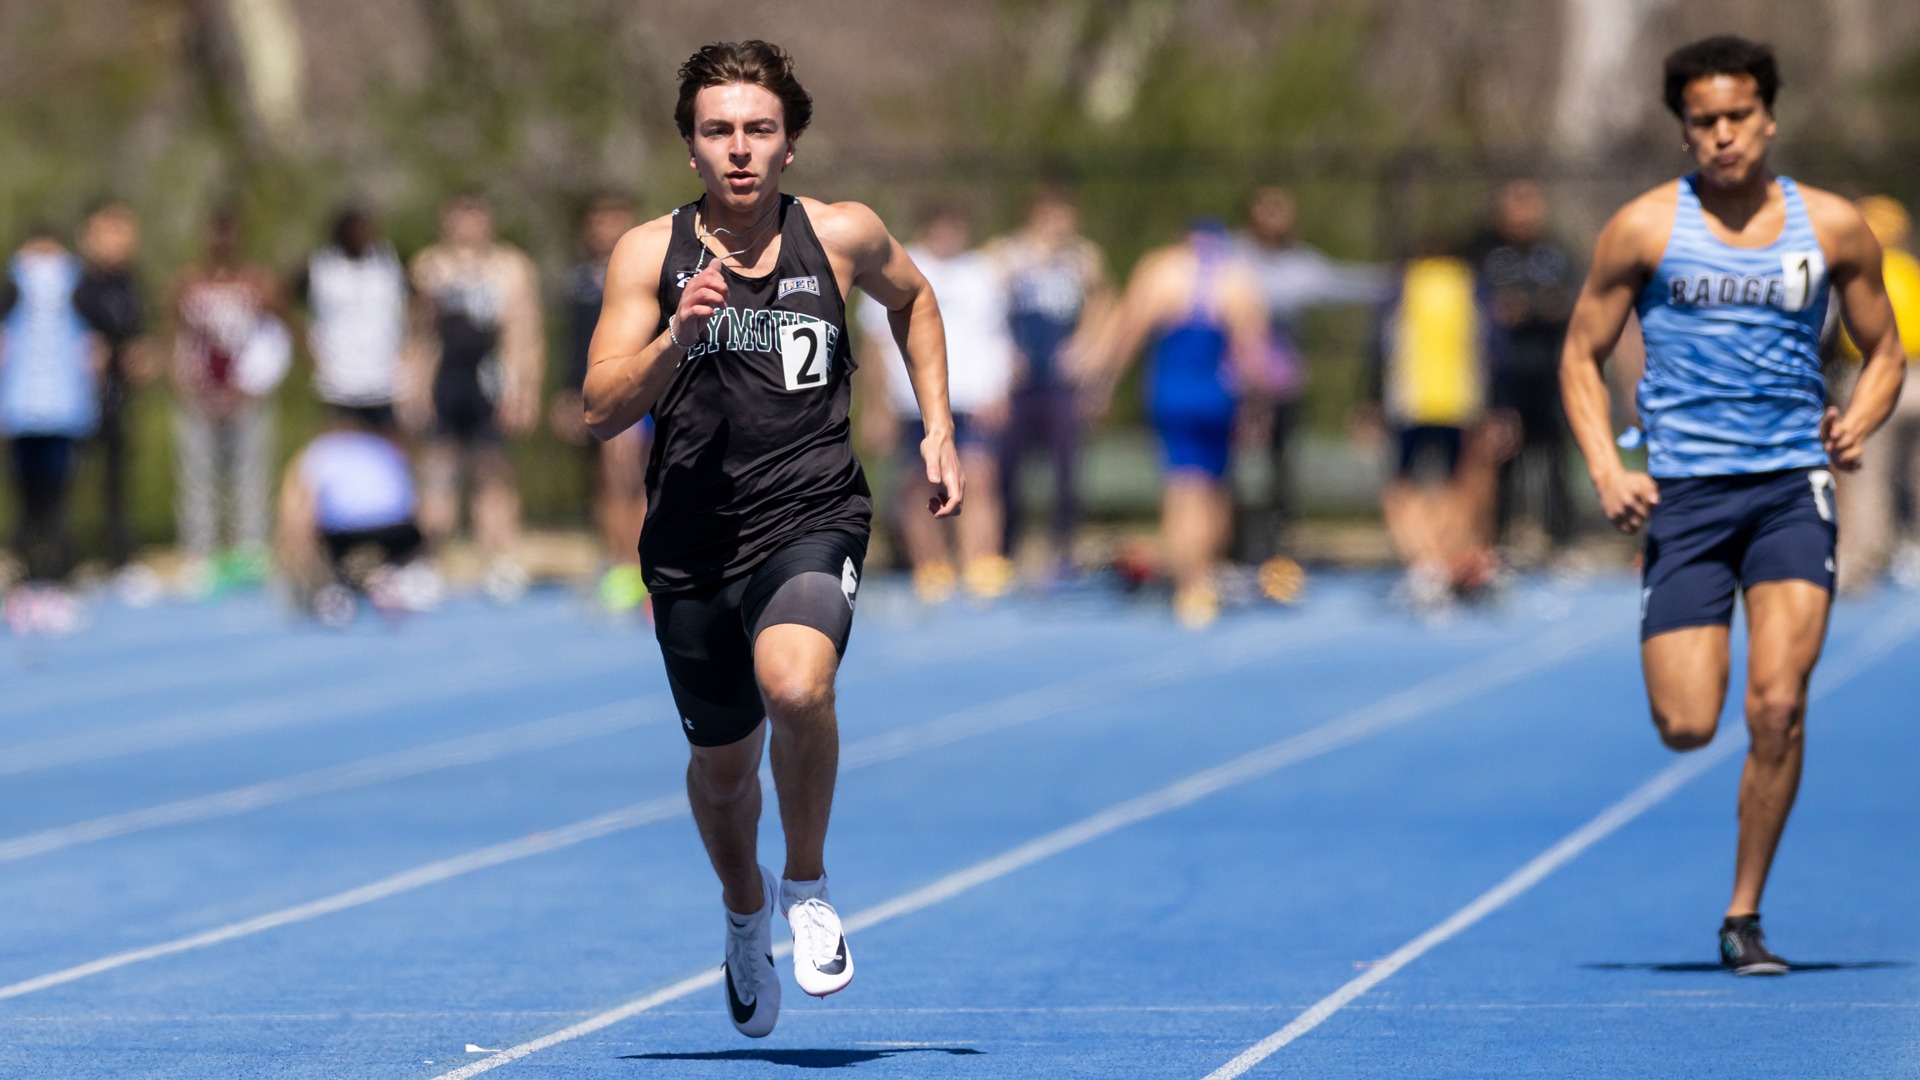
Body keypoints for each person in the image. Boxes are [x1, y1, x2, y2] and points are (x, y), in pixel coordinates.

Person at [582, 40, 962, 1038]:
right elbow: (596, 406)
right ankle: (744, 912)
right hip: (691, 544)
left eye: (758, 130)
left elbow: (915, 299)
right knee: (721, 772)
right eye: (719, 132)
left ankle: (807, 886)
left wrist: (939, 423)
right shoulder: (646, 256)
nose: (740, 149)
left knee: (798, 682)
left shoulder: (839, 236)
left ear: (789, 145)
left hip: (812, 512)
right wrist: (676, 339)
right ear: (691, 149)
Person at [1559, 36, 1906, 974]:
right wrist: (1607, 468)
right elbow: (1579, 356)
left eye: (1738, 117)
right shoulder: (1642, 229)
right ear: (1684, 131)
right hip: (1687, 497)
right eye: (1704, 121)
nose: (1723, 136)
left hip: (1792, 488)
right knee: (1686, 724)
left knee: (1779, 704)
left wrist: (1860, 421)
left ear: (1769, 119)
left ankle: (1743, 914)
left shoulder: (1830, 227)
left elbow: (1886, 351)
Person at [1093, 220, 1266, 628]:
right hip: (1218, 394)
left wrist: (1103, 383)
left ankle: (1190, 584)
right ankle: (1205, 573)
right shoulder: (1236, 277)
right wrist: (1258, 406)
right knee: (1215, 485)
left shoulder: (1161, 270)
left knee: (1182, 484)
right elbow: (1252, 349)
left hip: (1173, 391)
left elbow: (1128, 329)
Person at [857, 204, 1012, 602]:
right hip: (913, 402)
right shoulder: (898, 265)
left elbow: (998, 335)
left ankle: (981, 562)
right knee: (917, 484)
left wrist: (999, 387)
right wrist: (878, 405)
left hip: (972, 397)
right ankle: (932, 565)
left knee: (980, 475)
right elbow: (874, 342)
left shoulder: (983, 273)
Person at [1235, 186, 1389, 577]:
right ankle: (1233, 540)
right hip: (1237, 384)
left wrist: (1402, 280)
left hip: (1281, 383)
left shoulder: (1300, 265)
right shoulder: (1233, 259)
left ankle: (1276, 540)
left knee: (1281, 463)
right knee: (1232, 464)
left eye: (1281, 211)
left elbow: (1344, 283)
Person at [406, 193, 543, 600]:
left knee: (493, 472)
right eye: (460, 216)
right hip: (447, 380)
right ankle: (428, 562)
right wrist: (413, 386)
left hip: (490, 380)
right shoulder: (430, 266)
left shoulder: (511, 267)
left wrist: (524, 389)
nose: (468, 225)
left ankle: (501, 559)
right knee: (438, 472)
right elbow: (419, 334)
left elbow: (525, 334)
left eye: (476, 216)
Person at [1363, 239, 1511, 610]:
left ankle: (1427, 563)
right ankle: (1442, 562)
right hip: (1460, 400)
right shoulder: (1469, 283)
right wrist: (1501, 405)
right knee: (1456, 485)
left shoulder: (1403, 284)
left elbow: (1376, 345)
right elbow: (1495, 348)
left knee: (1402, 487)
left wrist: (1367, 400)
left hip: (1410, 400)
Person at [986, 184, 1113, 577]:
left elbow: (1106, 305)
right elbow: (983, 307)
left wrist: (1089, 352)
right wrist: (1001, 354)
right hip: (1018, 379)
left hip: (1061, 379)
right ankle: (1005, 549)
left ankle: (1063, 550)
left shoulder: (1085, 257)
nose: (1060, 224)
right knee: (1006, 467)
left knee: (1066, 467)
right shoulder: (1005, 254)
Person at [168, 208, 288, 591]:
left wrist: (255, 382)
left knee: (251, 473)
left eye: (228, 233)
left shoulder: (258, 283)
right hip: (199, 395)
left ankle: (251, 550)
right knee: (197, 475)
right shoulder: (188, 284)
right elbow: (175, 338)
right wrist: (185, 382)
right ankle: (200, 554)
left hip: (247, 393)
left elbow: (278, 334)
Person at [1467, 180, 1580, 555]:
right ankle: (1495, 539)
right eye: (1516, 205)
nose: (1524, 214)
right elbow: (1475, 306)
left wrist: (1543, 308)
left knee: (1553, 458)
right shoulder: (1484, 253)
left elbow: (1575, 299)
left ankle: (1561, 537)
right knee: (1500, 459)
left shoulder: (1555, 254)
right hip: (1501, 377)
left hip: (1548, 376)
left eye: (1530, 205)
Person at [551, 193, 651, 613]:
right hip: (599, 389)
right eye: (599, 221)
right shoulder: (579, 282)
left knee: (634, 476)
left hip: (640, 389)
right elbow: (574, 345)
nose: (607, 229)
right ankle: (619, 562)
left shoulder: (647, 271)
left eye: (616, 219)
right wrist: (569, 392)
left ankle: (641, 566)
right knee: (606, 480)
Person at [1, 225, 100, 633]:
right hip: (29, 409)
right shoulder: (11, 290)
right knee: (33, 502)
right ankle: (28, 579)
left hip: (54, 409)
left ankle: (51, 578)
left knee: (51, 501)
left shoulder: (77, 288)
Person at [1832, 195, 1920, 592]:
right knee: (1911, 474)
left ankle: (1861, 562)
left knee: (1868, 474)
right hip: (1913, 376)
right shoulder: (1911, 272)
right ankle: (1911, 549)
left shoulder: (1857, 273)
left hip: (1873, 376)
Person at [275, 410, 437, 626]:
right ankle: (399, 577)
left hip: (345, 533)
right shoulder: (383, 446)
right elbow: (417, 502)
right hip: (399, 529)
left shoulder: (319, 451)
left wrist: (300, 559)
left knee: (320, 543)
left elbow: (302, 510)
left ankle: (331, 588)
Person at [72, 201, 151, 572]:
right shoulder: (76, 285)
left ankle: (118, 557)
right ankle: (66, 559)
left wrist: (143, 352)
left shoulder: (131, 285)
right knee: (68, 481)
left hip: (117, 397)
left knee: (117, 481)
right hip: (76, 401)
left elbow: (137, 334)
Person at [298, 204, 409, 429]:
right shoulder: (321, 267)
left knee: (388, 453)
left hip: (384, 379)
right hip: (338, 380)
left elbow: (418, 304)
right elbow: (287, 303)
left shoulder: (388, 264)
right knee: (341, 450)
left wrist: (411, 351)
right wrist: (308, 348)